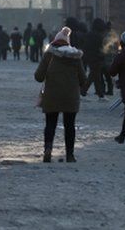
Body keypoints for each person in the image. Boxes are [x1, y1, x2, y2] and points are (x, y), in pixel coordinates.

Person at [35, 27, 85, 163]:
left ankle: (48, 149)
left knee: (50, 123)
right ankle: (70, 155)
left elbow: (38, 76)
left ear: (55, 41)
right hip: (71, 95)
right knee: (70, 125)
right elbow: (83, 79)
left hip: (52, 94)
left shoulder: (49, 54)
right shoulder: (76, 56)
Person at [82, 18, 109, 99]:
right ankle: (84, 91)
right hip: (96, 57)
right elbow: (100, 48)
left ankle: (100, 94)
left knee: (95, 76)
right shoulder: (98, 36)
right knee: (94, 76)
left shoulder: (89, 34)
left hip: (90, 57)